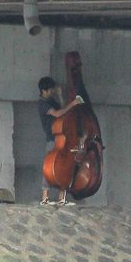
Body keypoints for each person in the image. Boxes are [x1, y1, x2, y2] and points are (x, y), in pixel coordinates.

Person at [37, 76, 83, 206]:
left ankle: (62, 198)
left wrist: (61, 96)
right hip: (53, 139)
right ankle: (45, 198)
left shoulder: (50, 100)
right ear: (44, 90)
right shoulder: (42, 104)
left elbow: (63, 110)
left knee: (64, 166)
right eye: (50, 90)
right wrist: (73, 104)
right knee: (49, 168)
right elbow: (57, 114)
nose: (52, 92)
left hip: (61, 138)